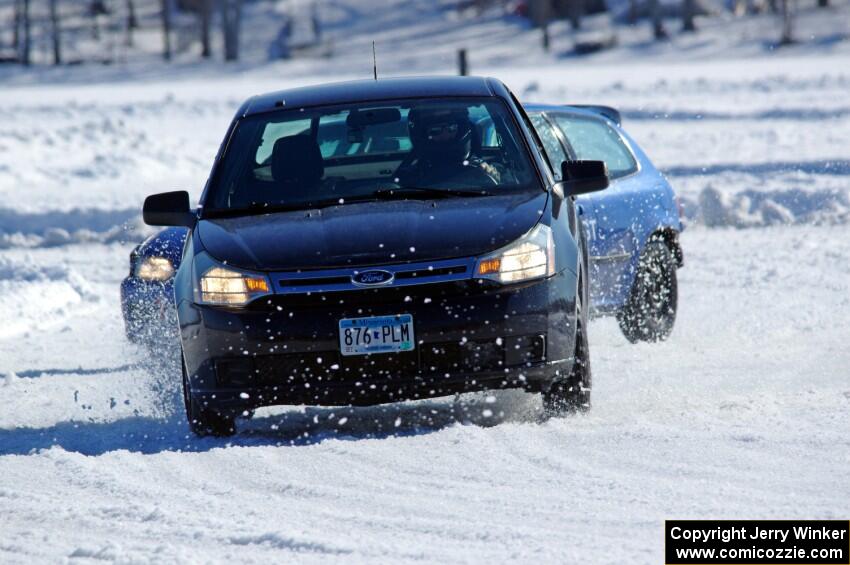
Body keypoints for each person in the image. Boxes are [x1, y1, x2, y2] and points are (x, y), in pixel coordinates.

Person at [396, 105, 499, 188]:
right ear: (422, 135)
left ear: (461, 130)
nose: (445, 135)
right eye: (436, 130)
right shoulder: (410, 179)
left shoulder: (483, 170)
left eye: (451, 128)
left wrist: (495, 176)